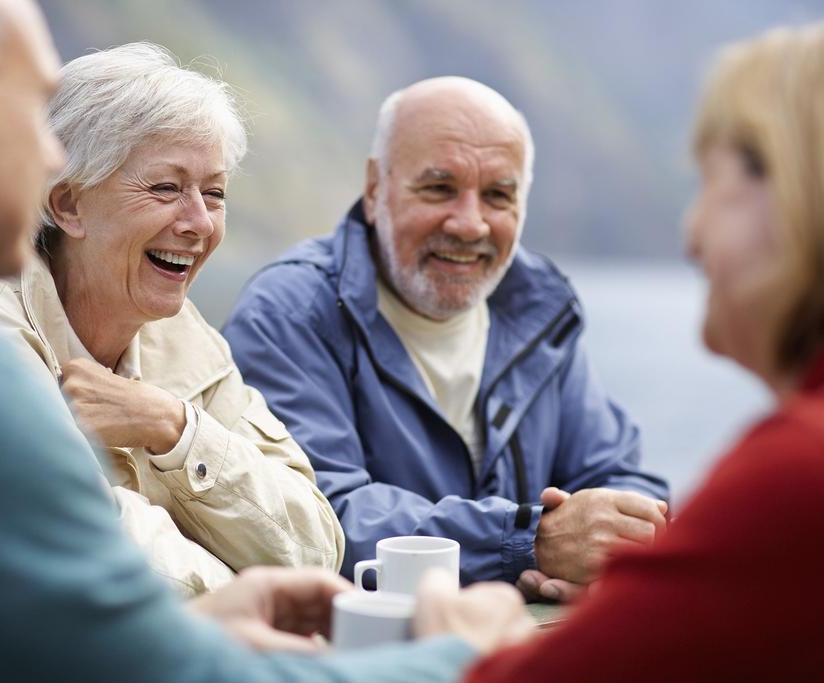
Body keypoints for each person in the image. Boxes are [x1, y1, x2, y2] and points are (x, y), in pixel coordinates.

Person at [0, 0, 532, 680]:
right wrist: (460, 649)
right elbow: (166, 667)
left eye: (214, 192)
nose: (47, 154)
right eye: (31, 110)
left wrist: (178, 445)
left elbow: (311, 542)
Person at [468, 22, 824, 681]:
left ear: (791, 196)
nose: (690, 236)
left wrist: (454, 633)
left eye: (709, 184)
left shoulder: (797, 471)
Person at [222, 76, 670, 597]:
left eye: (499, 195)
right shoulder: (289, 314)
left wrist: (610, 554)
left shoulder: (539, 306)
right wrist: (533, 542)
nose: (469, 224)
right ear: (375, 189)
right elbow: (313, 515)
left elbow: (619, 474)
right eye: (439, 188)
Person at [0, 42, 343, 596]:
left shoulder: (184, 336)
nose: (200, 223)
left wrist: (174, 429)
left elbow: (315, 546)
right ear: (67, 205)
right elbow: (85, 551)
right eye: (166, 188)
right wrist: (255, 596)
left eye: (215, 193)